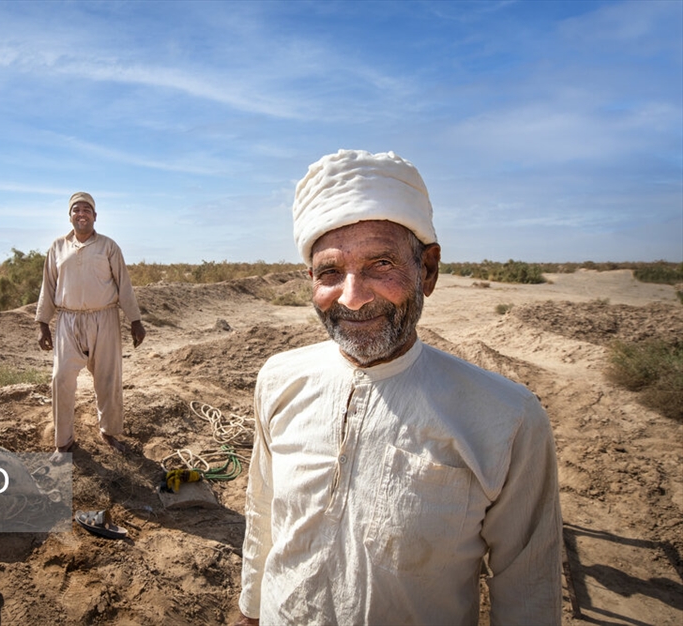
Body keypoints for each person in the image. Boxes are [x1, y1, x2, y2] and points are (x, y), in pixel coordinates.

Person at [236, 150, 562, 625]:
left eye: (381, 263)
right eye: (331, 272)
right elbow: (264, 512)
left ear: (427, 270)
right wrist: (251, 611)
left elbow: (528, 586)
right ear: (311, 279)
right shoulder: (279, 379)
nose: (352, 296)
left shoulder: (507, 418)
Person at [35, 191, 146, 454]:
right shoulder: (57, 247)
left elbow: (124, 285)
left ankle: (108, 433)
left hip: (104, 318)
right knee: (61, 378)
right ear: (70, 216)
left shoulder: (109, 246)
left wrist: (135, 320)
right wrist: (42, 323)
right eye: (76, 210)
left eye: (86, 210)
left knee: (108, 378)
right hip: (67, 321)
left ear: (95, 216)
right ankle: (64, 442)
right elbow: (48, 286)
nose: (81, 214)